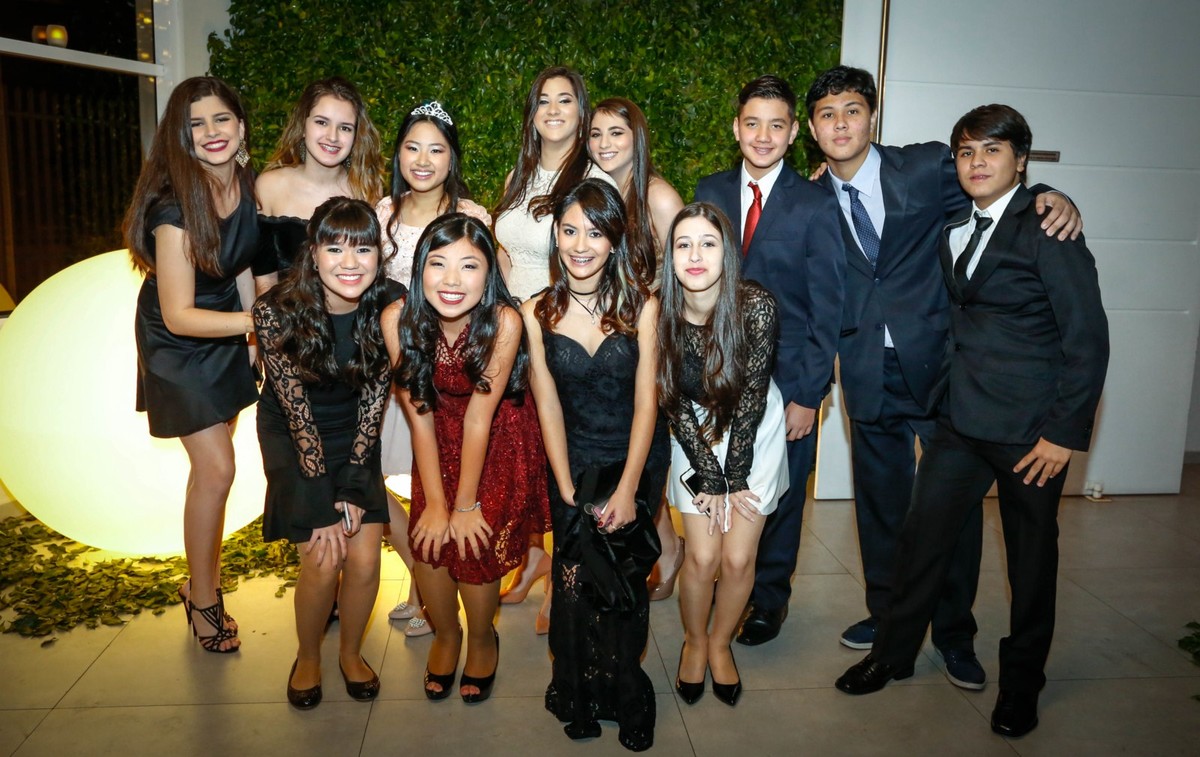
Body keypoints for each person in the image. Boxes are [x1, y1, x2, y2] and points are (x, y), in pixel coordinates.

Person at [835, 105, 1109, 741]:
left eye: (992, 150)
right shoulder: (956, 224)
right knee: (921, 541)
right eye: (966, 152)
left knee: (1030, 566)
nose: (976, 162)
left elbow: (1088, 339)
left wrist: (1063, 434)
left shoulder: (1049, 228)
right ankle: (893, 653)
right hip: (959, 422)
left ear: (1021, 160)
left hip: (1030, 436)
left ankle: (1021, 685)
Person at [694, 74, 845, 646]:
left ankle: (769, 599)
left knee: (778, 495)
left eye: (776, 125)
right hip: (717, 376)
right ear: (736, 128)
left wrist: (809, 395)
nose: (763, 136)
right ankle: (721, 582)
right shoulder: (709, 189)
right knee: (718, 482)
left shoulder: (816, 202)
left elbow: (828, 306)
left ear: (792, 134)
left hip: (789, 380)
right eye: (752, 123)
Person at [522, 178, 668, 751]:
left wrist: (629, 489)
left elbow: (647, 403)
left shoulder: (642, 304)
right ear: (556, 236)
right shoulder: (536, 311)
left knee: (623, 586)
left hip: (633, 458)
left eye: (595, 232)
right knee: (573, 583)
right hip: (573, 462)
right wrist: (564, 485)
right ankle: (579, 692)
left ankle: (626, 694)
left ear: (614, 240)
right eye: (569, 230)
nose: (581, 245)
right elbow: (547, 404)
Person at [382, 213, 549, 703]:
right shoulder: (397, 319)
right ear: (419, 269)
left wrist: (465, 504)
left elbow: (480, 418)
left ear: (488, 273)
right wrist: (436, 503)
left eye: (469, 266)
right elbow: (418, 413)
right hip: (434, 432)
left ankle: (480, 638)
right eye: (438, 264)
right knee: (428, 540)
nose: (452, 280)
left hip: (496, 435)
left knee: (474, 542)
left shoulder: (503, 321)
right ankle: (447, 634)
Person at [126, 76, 261, 654]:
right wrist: (259, 325)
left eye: (220, 119)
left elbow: (243, 261)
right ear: (180, 137)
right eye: (195, 124)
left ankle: (197, 578)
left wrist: (253, 337)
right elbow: (179, 315)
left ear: (241, 127)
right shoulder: (175, 207)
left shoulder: (245, 183)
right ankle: (204, 598)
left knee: (211, 470)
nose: (211, 132)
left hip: (226, 326)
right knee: (219, 469)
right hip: (178, 341)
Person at [254, 197, 400, 708]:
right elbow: (296, 413)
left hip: (356, 432)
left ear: (379, 255)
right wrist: (321, 500)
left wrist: (356, 481)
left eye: (363, 248)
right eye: (334, 248)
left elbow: (375, 400)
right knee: (323, 557)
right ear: (312, 253)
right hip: (292, 436)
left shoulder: (392, 305)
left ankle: (351, 653)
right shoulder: (274, 310)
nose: (350, 261)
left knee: (363, 557)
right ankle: (309, 655)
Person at [492, 65, 615, 627]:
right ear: (532, 113)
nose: (554, 110)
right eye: (544, 100)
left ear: (581, 110)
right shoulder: (519, 175)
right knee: (525, 450)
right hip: (512, 331)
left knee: (563, 449)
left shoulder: (593, 176)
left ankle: (564, 575)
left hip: (561, 329)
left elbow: (603, 253)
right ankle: (535, 558)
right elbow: (504, 251)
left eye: (566, 100)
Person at [658, 202, 788, 707]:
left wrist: (734, 479)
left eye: (708, 244)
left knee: (737, 558)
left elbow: (753, 396)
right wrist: (709, 478)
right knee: (703, 554)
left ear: (727, 252)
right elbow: (673, 400)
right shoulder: (659, 311)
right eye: (683, 244)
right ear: (670, 256)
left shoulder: (756, 305)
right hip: (691, 428)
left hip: (753, 427)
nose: (695, 255)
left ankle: (719, 642)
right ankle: (694, 641)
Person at [375, 100, 492, 637]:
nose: (422, 160)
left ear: (452, 158)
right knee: (380, 481)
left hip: (450, 376)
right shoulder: (382, 213)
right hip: (392, 365)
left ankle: (432, 596)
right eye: (412, 147)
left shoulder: (472, 215)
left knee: (437, 477)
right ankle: (422, 577)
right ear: (398, 154)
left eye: (436, 150)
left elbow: (489, 294)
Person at [589, 97, 686, 600]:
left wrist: (656, 327)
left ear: (637, 138)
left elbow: (686, 273)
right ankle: (664, 544)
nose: (604, 143)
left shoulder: (659, 197)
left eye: (616, 133)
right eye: (596, 134)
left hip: (652, 342)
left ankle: (665, 551)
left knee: (646, 452)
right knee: (625, 448)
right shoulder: (603, 192)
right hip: (613, 345)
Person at [253, 77, 383, 292]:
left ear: (356, 136)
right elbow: (265, 279)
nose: (333, 136)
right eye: (321, 122)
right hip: (285, 310)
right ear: (303, 126)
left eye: (345, 128)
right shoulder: (269, 186)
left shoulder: (366, 190)